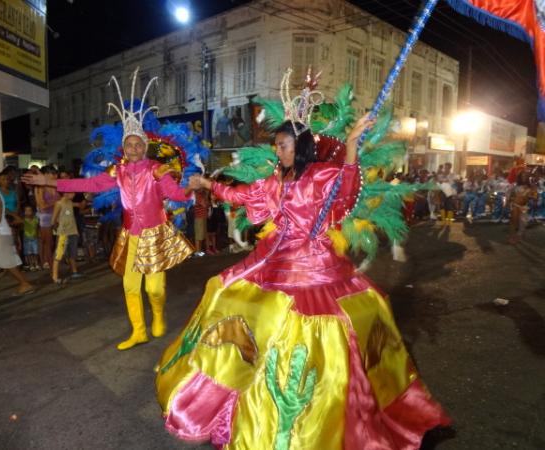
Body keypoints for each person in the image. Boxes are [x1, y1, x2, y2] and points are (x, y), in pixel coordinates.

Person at [156, 101, 449, 447]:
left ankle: (328, 413)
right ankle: (224, 392)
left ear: (301, 146)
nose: (277, 151)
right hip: (275, 259)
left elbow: (348, 189)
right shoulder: (274, 181)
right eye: (276, 145)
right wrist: (207, 182)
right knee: (222, 290)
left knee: (323, 326)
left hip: (317, 264)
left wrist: (352, 145)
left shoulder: (322, 175)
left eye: (283, 145)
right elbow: (240, 194)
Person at [22, 70, 193, 350]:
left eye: (139, 144)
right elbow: (89, 182)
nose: (135, 147)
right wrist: (49, 180)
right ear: (124, 148)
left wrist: (190, 187)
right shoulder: (118, 171)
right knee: (129, 286)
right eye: (130, 144)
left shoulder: (157, 170)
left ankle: (159, 312)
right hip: (130, 235)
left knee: (154, 289)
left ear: (145, 147)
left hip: (154, 234)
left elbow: (176, 194)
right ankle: (139, 331)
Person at [51, 192, 83, 284]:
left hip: (73, 232)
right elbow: (53, 220)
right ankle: (55, 276)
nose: (74, 194)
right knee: (59, 254)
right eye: (72, 192)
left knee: (72, 254)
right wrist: (57, 231)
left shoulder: (70, 202)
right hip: (63, 234)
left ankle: (74, 271)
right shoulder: (59, 204)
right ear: (65, 193)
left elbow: (79, 205)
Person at [35, 166, 60, 271]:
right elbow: (42, 206)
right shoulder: (40, 188)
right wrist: (57, 202)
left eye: (55, 173)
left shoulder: (55, 185)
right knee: (47, 243)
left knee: (56, 243)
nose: (55, 176)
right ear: (45, 175)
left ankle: (52, 265)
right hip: (46, 216)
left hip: (57, 215)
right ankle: (49, 266)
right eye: (52, 173)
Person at [22, 205, 40, 271]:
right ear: (24, 212)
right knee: (29, 253)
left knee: (35, 252)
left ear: (32, 212)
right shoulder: (23, 220)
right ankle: (31, 265)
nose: (28, 212)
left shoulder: (36, 219)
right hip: (26, 239)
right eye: (26, 211)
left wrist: (38, 235)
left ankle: (37, 264)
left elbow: (38, 228)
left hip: (34, 238)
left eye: (29, 210)